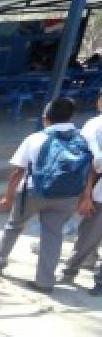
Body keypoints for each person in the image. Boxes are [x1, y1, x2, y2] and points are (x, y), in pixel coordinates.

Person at [0, 98, 91, 292]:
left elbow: (18, 172)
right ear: (71, 117)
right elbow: (87, 171)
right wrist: (84, 197)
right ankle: (45, 282)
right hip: (67, 196)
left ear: (46, 117)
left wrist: (8, 197)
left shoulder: (35, 139)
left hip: (33, 192)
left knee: (13, 226)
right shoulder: (81, 140)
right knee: (53, 236)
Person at [60, 90, 102, 295]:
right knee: (89, 234)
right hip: (97, 190)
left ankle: (71, 271)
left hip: (97, 192)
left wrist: (86, 195)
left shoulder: (95, 126)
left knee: (88, 235)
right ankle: (86, 266)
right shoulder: (95, 126)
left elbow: (90, 163)